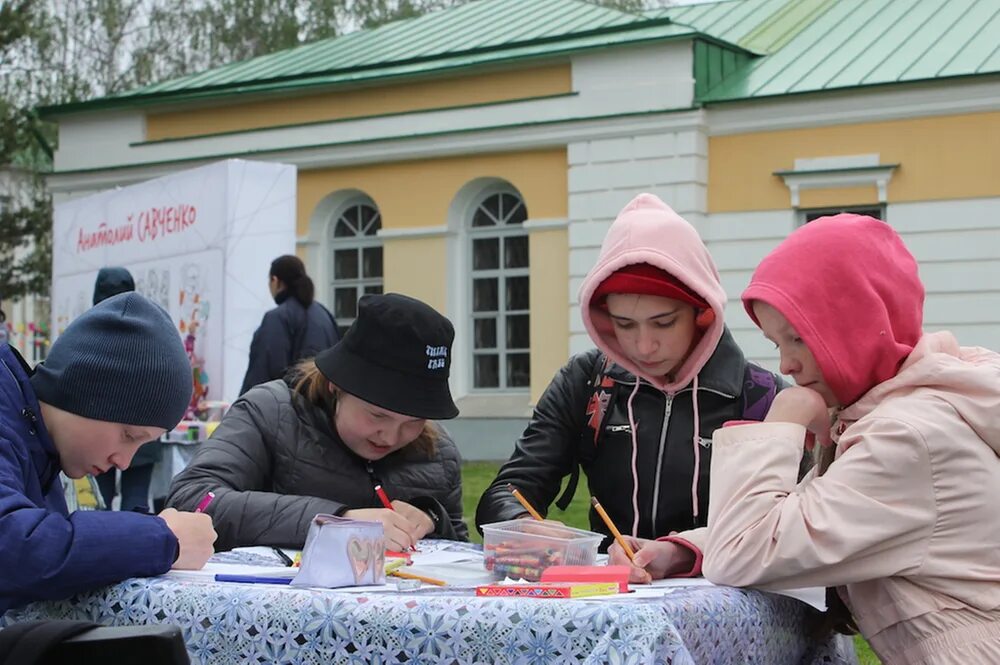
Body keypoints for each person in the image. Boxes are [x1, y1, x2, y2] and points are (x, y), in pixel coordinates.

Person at [695, 215, 1000, 664]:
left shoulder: (906, 438)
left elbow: (742, 551)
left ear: (856, 324)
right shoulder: (905, 407)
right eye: (776, 343)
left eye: (798, 338)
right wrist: (681, 548)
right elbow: (798, 519)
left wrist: (781, 421)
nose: (785, 366)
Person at [476, 193, 785, 554]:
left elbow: (781, 529)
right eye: (624, 324)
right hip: (614, 598)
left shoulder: (761, 396)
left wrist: (681, 554)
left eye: (664, 323)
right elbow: (509, 490)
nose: (643, 346)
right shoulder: (586, 380)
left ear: (703, 313)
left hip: (725, 598)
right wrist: (523, 526)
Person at [167, 293, 468, 552]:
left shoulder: (438, 452)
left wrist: (433, 518)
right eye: (378, 415)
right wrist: (335, 520)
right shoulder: (269, 414)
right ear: (335, 386)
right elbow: (194, 499)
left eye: (413, 421)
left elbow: (460, 557)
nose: (390, 436)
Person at [0, 292, 217, 613]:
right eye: (128, 435)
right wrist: (160, 538)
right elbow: (14, 546)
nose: (124, 462)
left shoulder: (35, 442)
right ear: (88, 394)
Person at [89, 267, 164, 512]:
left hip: (100, 430)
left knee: (100, 499)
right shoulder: (151, 329)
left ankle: (103, 548)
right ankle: (137, 549)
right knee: (137, 502)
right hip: (143, 430)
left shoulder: (87, 331)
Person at [240, 255, 341, 394]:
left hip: (290, 408)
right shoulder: (324, 314)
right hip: (325, 405)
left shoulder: (276, 318)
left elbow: (263, 376)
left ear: (275, 281)